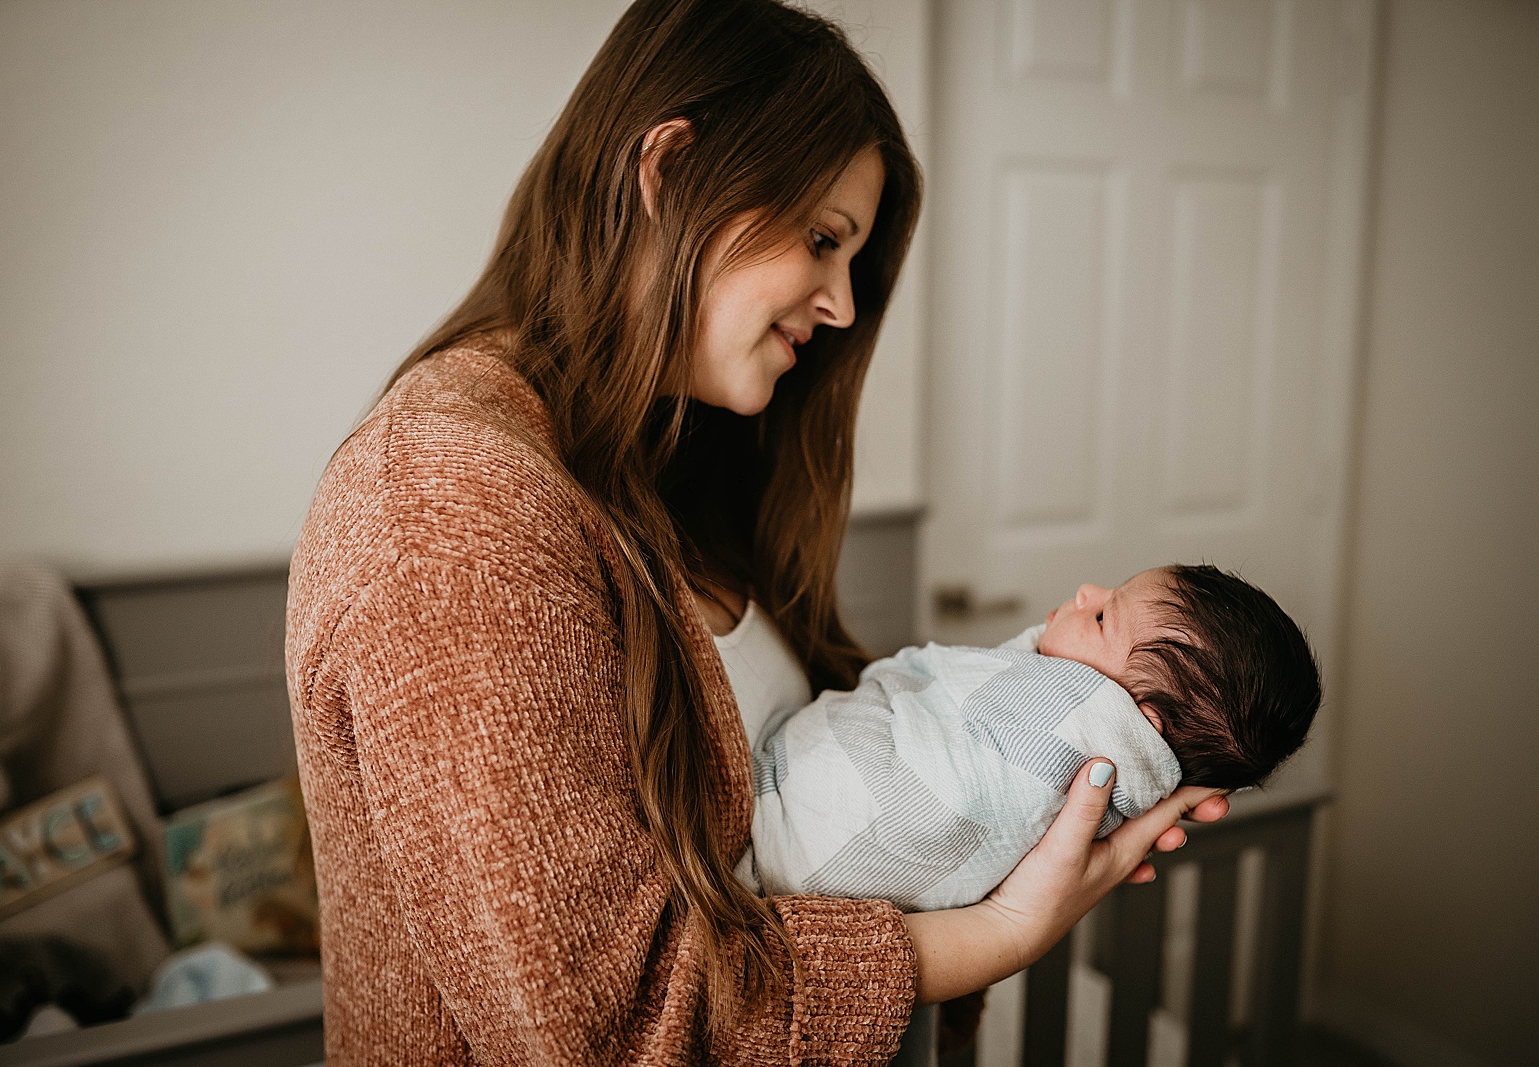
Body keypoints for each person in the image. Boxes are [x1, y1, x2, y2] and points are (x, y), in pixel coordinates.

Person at [284, 0, 1229, 1062]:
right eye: (822, 240)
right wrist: (995, 934)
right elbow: (604, 1025)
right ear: (669, 169)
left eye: (852, 261)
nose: (837, 306)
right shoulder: (445, 499)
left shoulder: (666, 463)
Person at [742, 564, 1320, 909]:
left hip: (783, 832)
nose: (1087, 592)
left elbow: (951, 791)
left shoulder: (1078, 735)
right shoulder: (1085, 740)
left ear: (1135, 722)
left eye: (1101, 619)